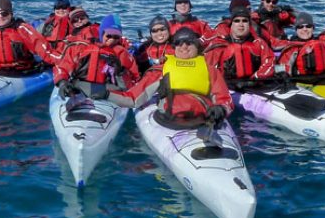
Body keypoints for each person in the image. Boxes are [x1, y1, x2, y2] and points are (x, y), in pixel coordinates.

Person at [99, 27, 233, 137]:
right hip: (169, 121)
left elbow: (225, 98)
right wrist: (105, 94)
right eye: (179, 43)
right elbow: (133, 99)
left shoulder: (209, 70)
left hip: (205, 121)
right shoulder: (161, 70)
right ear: (174, 47)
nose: (184, 46)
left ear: (197, 45)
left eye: (189, 42)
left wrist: (221, 108)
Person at [54, 14, 140, 95]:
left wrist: (120, 71)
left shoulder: (122, 53)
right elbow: (62, 67)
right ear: (102, 33)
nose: (112, 40)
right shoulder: (80, 48)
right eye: (108, 36)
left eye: (116, 37)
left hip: (108, 93)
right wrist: (62, 82)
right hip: (79, 90)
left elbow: (134, 78)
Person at [205, 6, 276, 86]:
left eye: (245, 21)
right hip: (228, 89)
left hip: (256, 86)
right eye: (237, 21)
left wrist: (254, 79)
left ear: (249, 24)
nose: (241, 24)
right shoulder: (219, 45)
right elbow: (208, 71)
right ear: (231, 25)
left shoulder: (259, 43)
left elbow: (270, 63)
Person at [276, 12, 325, 78]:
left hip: (324, 80)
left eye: (308, 26)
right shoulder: (292, 48)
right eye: (300, 27)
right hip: (301, 82)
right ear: (296, 30)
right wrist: (282, 74)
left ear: (313, 28)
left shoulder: (322, 44)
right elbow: (280, 67)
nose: (305, 29)